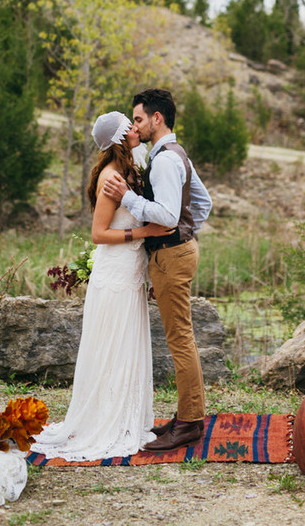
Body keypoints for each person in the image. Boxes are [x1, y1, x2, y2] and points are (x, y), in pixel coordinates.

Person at [30, 111, 175, 462]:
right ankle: (106, 423)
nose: (136, 129)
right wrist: (145, 232)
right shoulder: (111, 176)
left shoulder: (129, 169)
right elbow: (99, 234)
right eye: (131, 126)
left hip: (130, 273)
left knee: (126, 345)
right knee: (113, 347)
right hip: (114, 275)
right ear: (121, 136)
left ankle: (125, 418)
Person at [103, 88, 212, 452]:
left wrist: (128, 199)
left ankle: (191, 423)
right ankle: (186, 416)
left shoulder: (165, 160)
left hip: (171, 256)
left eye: (138, 119)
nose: (135, 125)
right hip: (178, 250)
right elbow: (203, 202)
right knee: (181, 336)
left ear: (156, 118)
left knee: (180, 338)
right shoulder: (175, 154)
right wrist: (188, 231)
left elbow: (165, 214)